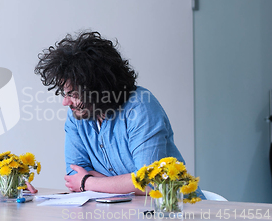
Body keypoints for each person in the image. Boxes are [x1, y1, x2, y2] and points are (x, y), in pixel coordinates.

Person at [34, 31, 204, 197]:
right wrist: (125, 182)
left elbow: (150, 182)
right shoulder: (77, 116)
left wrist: (89, 182)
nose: (66, 102)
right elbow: (74, 175)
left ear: (99, 89)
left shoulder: (140, 108)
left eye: (74, 95)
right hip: (121, 212)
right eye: (65, 94)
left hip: (176, 211)